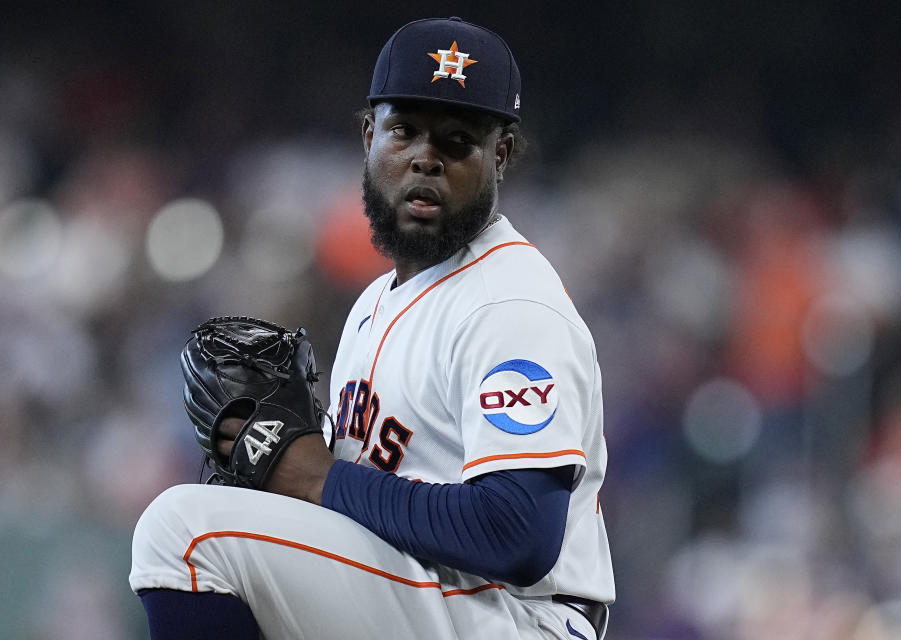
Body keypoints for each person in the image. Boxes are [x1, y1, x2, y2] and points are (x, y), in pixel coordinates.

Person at [130, 16, 614, 640]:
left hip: (519, 618)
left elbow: (516, 535)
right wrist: (281, 471)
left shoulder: (508, 306)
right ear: (368, 136)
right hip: (431, 598)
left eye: (458, 141)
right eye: (404, 131)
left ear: (502, 154)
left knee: (185, 536)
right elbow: (356, 500)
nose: (425, 159)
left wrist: (310, 473)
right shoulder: (374, 304)